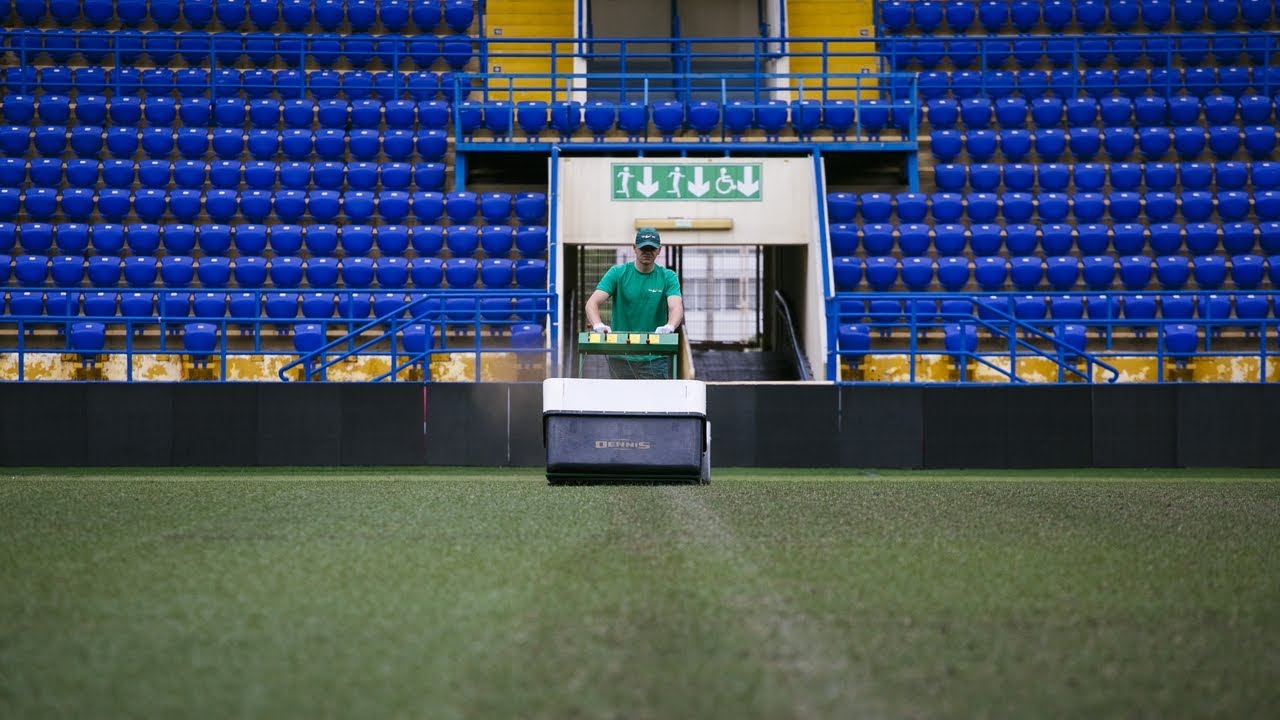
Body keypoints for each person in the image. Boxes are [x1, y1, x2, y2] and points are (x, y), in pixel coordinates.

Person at [584, 227, 684, 379]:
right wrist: (598, 325)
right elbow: (592, 303)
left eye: (652, 248)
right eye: (644, 248)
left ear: (659, 250)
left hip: (655, 356)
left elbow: (676, 307)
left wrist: (669, 326)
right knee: (622, 401)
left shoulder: (667, 276)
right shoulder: (618, 273)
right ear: (634, 248)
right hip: (620, 355)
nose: (647, 252)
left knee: (654, 401)